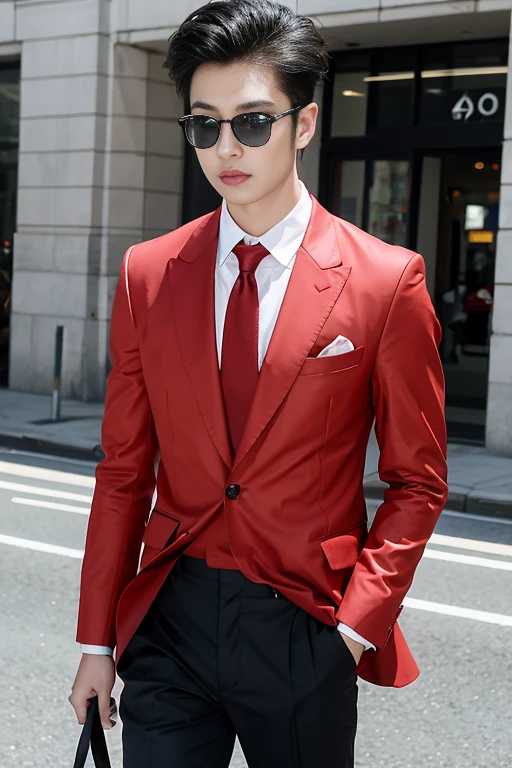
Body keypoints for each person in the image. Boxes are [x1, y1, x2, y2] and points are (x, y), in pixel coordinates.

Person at [69, 1, 448, 766]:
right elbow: (123, 471)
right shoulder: (149, 273)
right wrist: (95, 641)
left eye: (252, 122)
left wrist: (350, 632)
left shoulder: (385, 281)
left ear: (304, 124)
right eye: (204, 125)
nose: (225, 148)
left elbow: (418, 481)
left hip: (305, 626)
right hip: (170, 622)